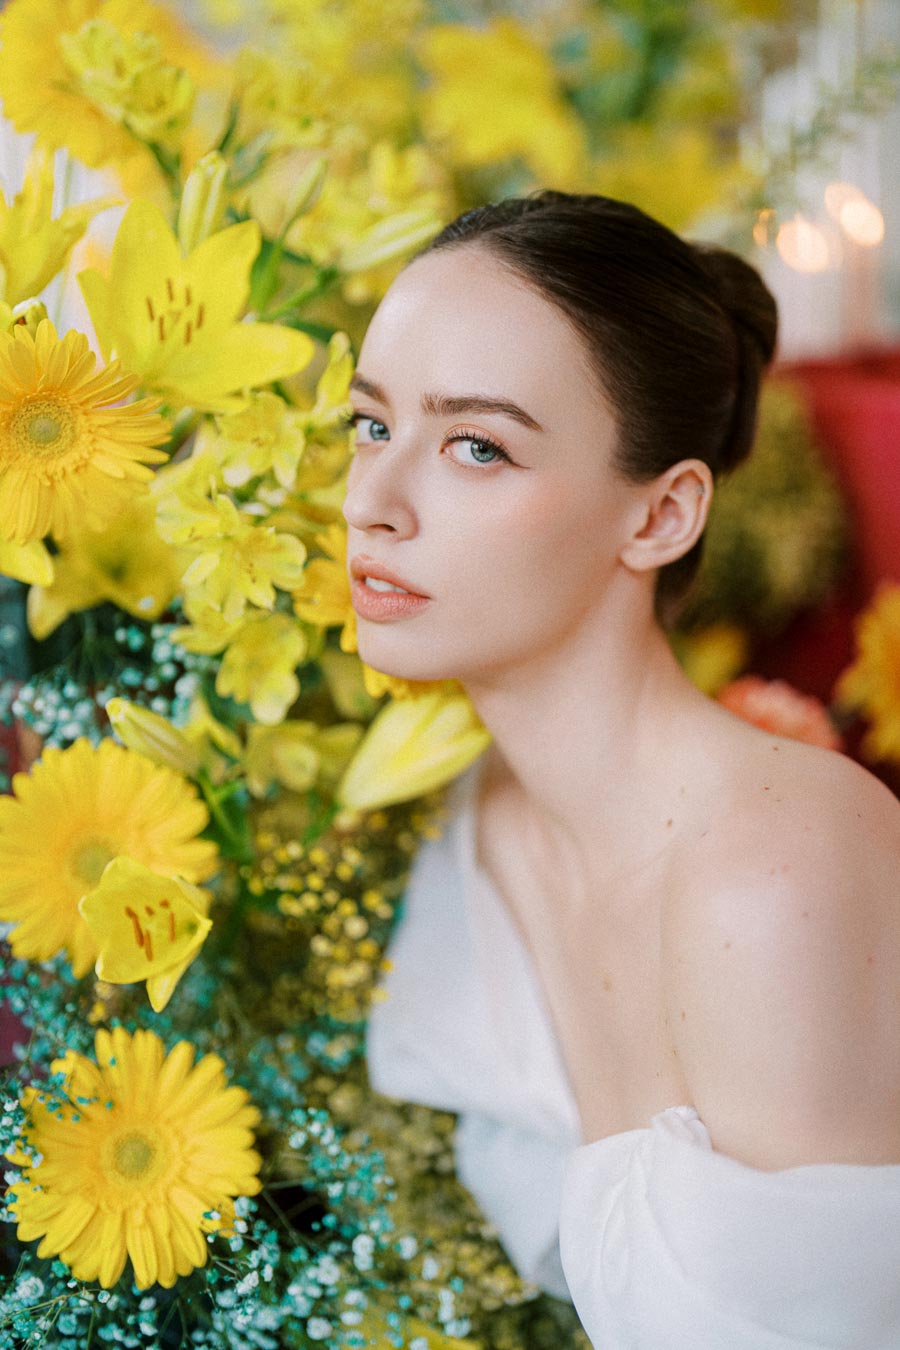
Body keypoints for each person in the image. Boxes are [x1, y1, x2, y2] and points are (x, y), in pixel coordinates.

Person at [341, 190, 900, 1348]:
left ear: (661, 515)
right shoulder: (487, 820)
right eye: (370, 424)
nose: (373, 505)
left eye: (477, 446)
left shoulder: (774, 875)